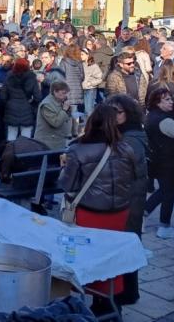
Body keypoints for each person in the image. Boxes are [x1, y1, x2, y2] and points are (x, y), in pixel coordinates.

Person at [58, 104, 137, 314]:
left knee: (89, 257)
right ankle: (109, 302)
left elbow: (66, 184)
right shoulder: (126, 148)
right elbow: (134, 178)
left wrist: (64, 166)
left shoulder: (78, 150)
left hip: (91, 212)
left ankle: (95, 301)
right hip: (119, 211)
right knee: (110, 255)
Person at [141, 88, 174, 239]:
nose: (171, 102)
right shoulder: (165, 120)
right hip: (169, 162)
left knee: (164, 191)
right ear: (158, 102)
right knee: (169, 193)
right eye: (167, 99)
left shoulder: (151, 116)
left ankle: (143, 212)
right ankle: (164, 226)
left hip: (158, 160)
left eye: (171, 99)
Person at [2, 58, 41, 141]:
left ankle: (11, 149)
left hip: (11, 108)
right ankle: (24, 148)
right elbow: (38, 97)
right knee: (26, 134)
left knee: (11, 134)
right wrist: (32, 102)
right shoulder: (31, 77)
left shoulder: (9, 76)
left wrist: (8, 103)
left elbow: (3, 96)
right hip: (27, 108)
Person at [34, 81, 72, 150]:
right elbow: (55, 123)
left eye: (67, 93)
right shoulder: (46, 105)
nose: (66, 95)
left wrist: (68, 110)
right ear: (55, 92)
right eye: (63, 93)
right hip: (47, 144)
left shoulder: (60, 101)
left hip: (58, 141)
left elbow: (66, 119)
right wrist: (64, 110)